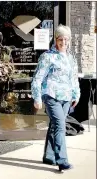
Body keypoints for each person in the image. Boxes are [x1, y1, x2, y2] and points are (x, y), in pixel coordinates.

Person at [31, 24, 80, 171]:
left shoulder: (71, 58)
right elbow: (37, 79)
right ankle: (62, 160)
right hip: (51, 95)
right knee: (60, 125)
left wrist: (76, 94)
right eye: (60, 39)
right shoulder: (47, 57)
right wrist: (37, 97)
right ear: (56, 39)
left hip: (66, 97)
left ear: (69, 40)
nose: (63, 42)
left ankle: (49, 156)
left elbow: (74, 78)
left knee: (54, 125)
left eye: (66, 39)